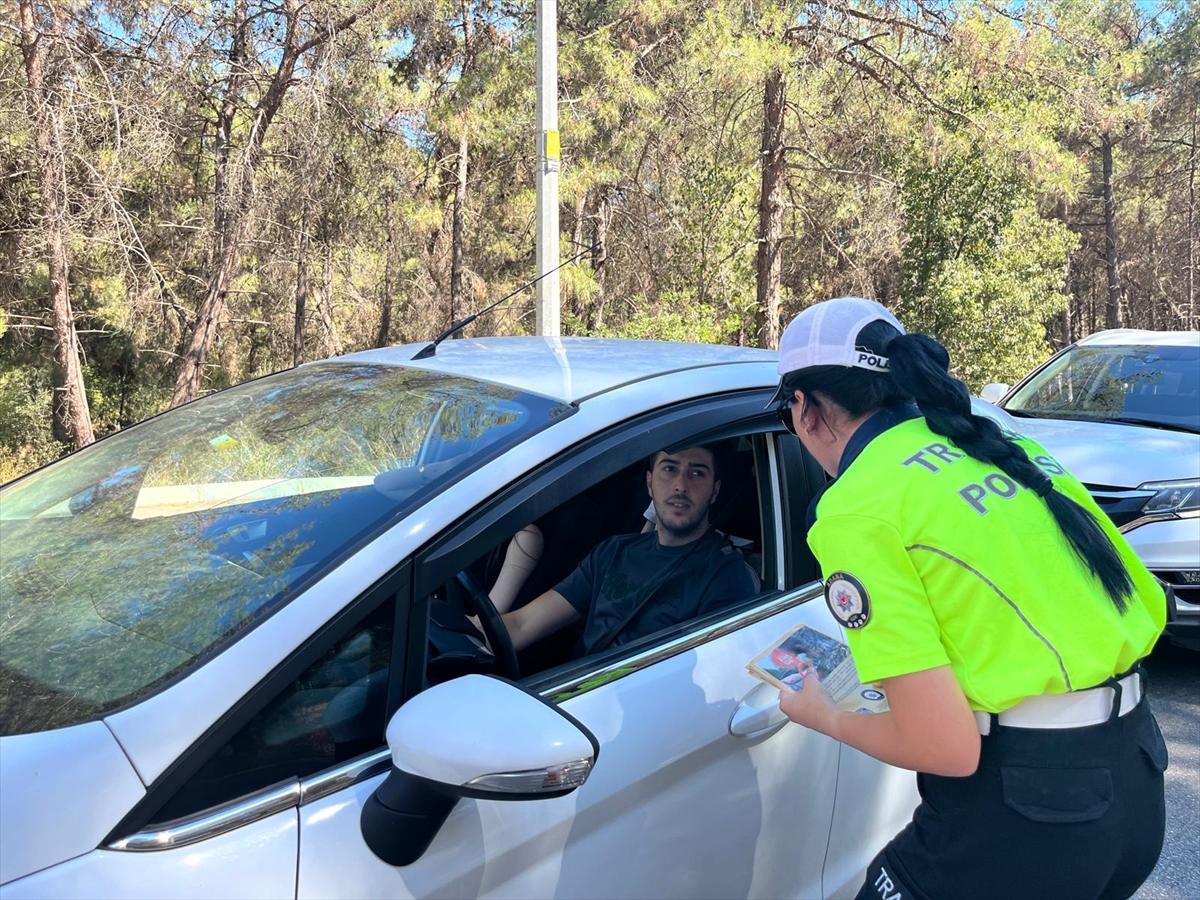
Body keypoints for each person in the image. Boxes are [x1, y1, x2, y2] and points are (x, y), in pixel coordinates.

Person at [768, 297, 1168, 900]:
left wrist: (825, 714)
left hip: (1025, 818)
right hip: (1135, 782)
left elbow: (944, 749)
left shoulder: (855, 506)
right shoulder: (1001, 445)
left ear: (804, 410)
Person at [497, 444, 758, 658]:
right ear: (649, 483)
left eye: (697, 473)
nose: (680, 485)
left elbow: (711, 672)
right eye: (669, 469)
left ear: (715, 491)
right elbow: (523, 624)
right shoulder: (613, 551)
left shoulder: (726, 575)